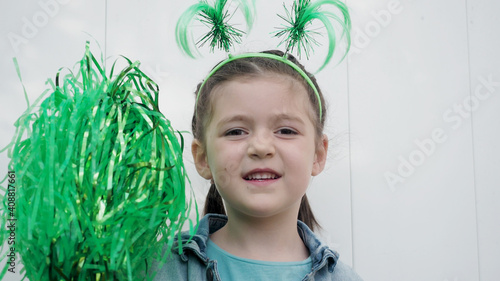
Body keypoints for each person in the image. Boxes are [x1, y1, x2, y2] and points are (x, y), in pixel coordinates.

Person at [152, 50, 363, 280]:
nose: (261, 147)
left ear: (318, 154)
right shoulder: (155, 268)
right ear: (203, 158)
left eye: (286, 131)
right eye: (235, 131)